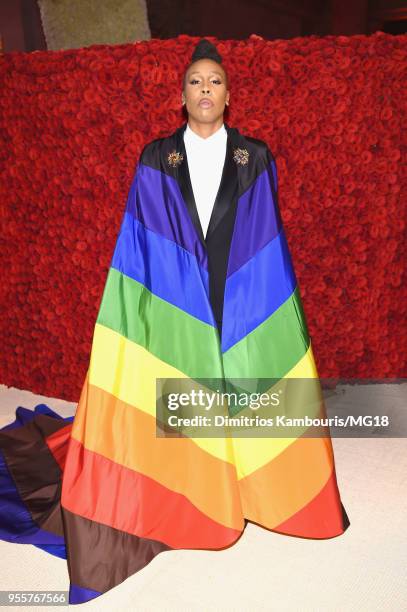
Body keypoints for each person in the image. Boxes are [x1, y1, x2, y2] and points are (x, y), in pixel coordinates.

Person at [0, 39, 350, 605]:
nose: (205, 90)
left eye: (214, 81)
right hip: (174, 299)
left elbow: (268, 237)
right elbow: (139, 241)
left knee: (244, 383)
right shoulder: (154, 156)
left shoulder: (254, 156)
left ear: (229, 95)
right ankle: (191, 477)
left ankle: (248, 477)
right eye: (195, 82)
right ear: (181, 96)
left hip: (238, 290)